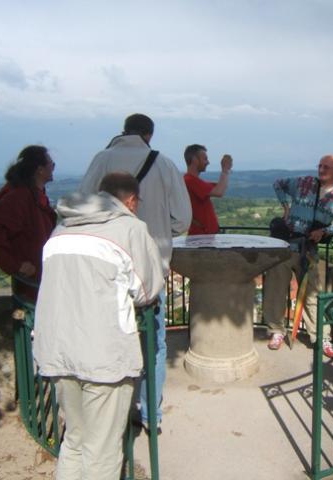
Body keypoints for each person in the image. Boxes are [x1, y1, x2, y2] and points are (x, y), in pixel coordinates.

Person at [33, 172, 165, 480]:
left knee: (75, 439)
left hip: (57, 348)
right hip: (104, 353)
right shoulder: (130, 228)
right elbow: (147, 290)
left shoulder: (62, 226)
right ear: (131, 201)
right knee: (102, 448)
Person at [79, 113, 191, 433]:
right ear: (149, 135)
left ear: (124, 131)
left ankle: (115, 413)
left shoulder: (101, 160)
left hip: (105, 269)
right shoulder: (165, 164)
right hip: (150, 270)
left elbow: (83, 209)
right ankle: (150, 415)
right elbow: (182, 219)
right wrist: (158, 235)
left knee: (111, 342)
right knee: (153, 346)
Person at [263, 154, 333, 359]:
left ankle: (321, 336)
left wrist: (326, 231)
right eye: (320, 166)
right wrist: (286, 207)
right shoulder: (304, 183)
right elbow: (278, 184)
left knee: (314, 295)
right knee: (275, 290)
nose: (322, 170)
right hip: (285, 245)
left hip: (309, 249)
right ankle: (276, 331)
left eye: (327, 167)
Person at [0, 145, 56, 300]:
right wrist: (14, 265)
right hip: (30, 285)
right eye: (51, 164)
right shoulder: (20, 197)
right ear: (40, 169)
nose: (53, 168)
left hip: (37, 281)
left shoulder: (33, 195)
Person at [183, 144, 233, 235]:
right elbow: (219, 192)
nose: (208, 162)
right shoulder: (190, 181)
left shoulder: (193, 181)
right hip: (201, 237)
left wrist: (226, 171)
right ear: (194, 160)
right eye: (205, 159)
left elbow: (220, 187)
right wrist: (225, 170)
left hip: (204, 235)